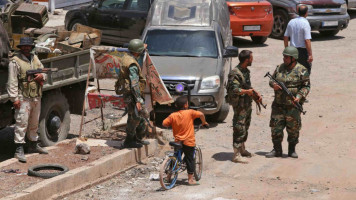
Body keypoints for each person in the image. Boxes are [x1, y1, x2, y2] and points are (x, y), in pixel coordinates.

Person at [7, 37, 48, 163]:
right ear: (21, 47)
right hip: (22, 96)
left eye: (28, 46)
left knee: (34, 121)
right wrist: (14, 98)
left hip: (35, 95)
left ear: (31, 47)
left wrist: (42, 76)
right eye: (24, 46)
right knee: (21, 123)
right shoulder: (15, 61)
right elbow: (12, 81)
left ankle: (33, 144)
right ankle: (19, 149)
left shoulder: (34, 58)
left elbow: (43, 71)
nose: (26, 48)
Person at [265, 46, 310, 159]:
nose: (284, 59)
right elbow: (272, 79)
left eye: (286, 57)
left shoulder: (302, 70)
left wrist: (299, 97)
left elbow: (306, 86)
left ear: (293, 58)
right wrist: (273, 85)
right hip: (278, 105)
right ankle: (277, 150)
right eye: (284, 56)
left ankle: (292, 150)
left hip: (293, 106)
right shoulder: (279, 68)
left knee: (293, 129)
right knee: (276, 128)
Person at [225, 50, 262, 164]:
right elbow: (234, 90)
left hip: (246, 104)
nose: (252, 60)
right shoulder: (235, 73)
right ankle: (236, 155)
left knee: (245, 126)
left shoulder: (245, 71)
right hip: (239, 105)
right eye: (251, 58)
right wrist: (247, 91)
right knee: (239, 127)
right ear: (247, 60)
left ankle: (242, 149)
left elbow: (247, 85)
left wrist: (255, 94)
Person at [162, 96, 209, 185]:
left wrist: (172, 124)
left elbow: (164, 123)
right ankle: (190, 180)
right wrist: (204, 123)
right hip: (188, 141)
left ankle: (168, 177)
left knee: (175, 158)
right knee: (190, 159)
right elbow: (201, 115)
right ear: (186, 105)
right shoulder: (190, 112)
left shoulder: (173, 115)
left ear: (176, 105)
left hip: (177, 141)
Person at [115, 39, 149, 148]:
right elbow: (134, 84)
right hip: (133, 95)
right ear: (137, 52)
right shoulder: (132, 64)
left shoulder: (126, 57)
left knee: (137, 116)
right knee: (134, 117)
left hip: (129, 93)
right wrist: (138, 100)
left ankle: (136, 138)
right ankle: (129, 141)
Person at [284, 5, 313, 74]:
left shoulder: (291, 22)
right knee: (304, 71)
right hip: (302, 52)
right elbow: (307, 40)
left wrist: (287, 50)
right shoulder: (305, 23)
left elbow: (285, 37)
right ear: (306, 13)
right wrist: (310, 54)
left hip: (292, 51)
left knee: (292, 70)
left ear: (298, 12)